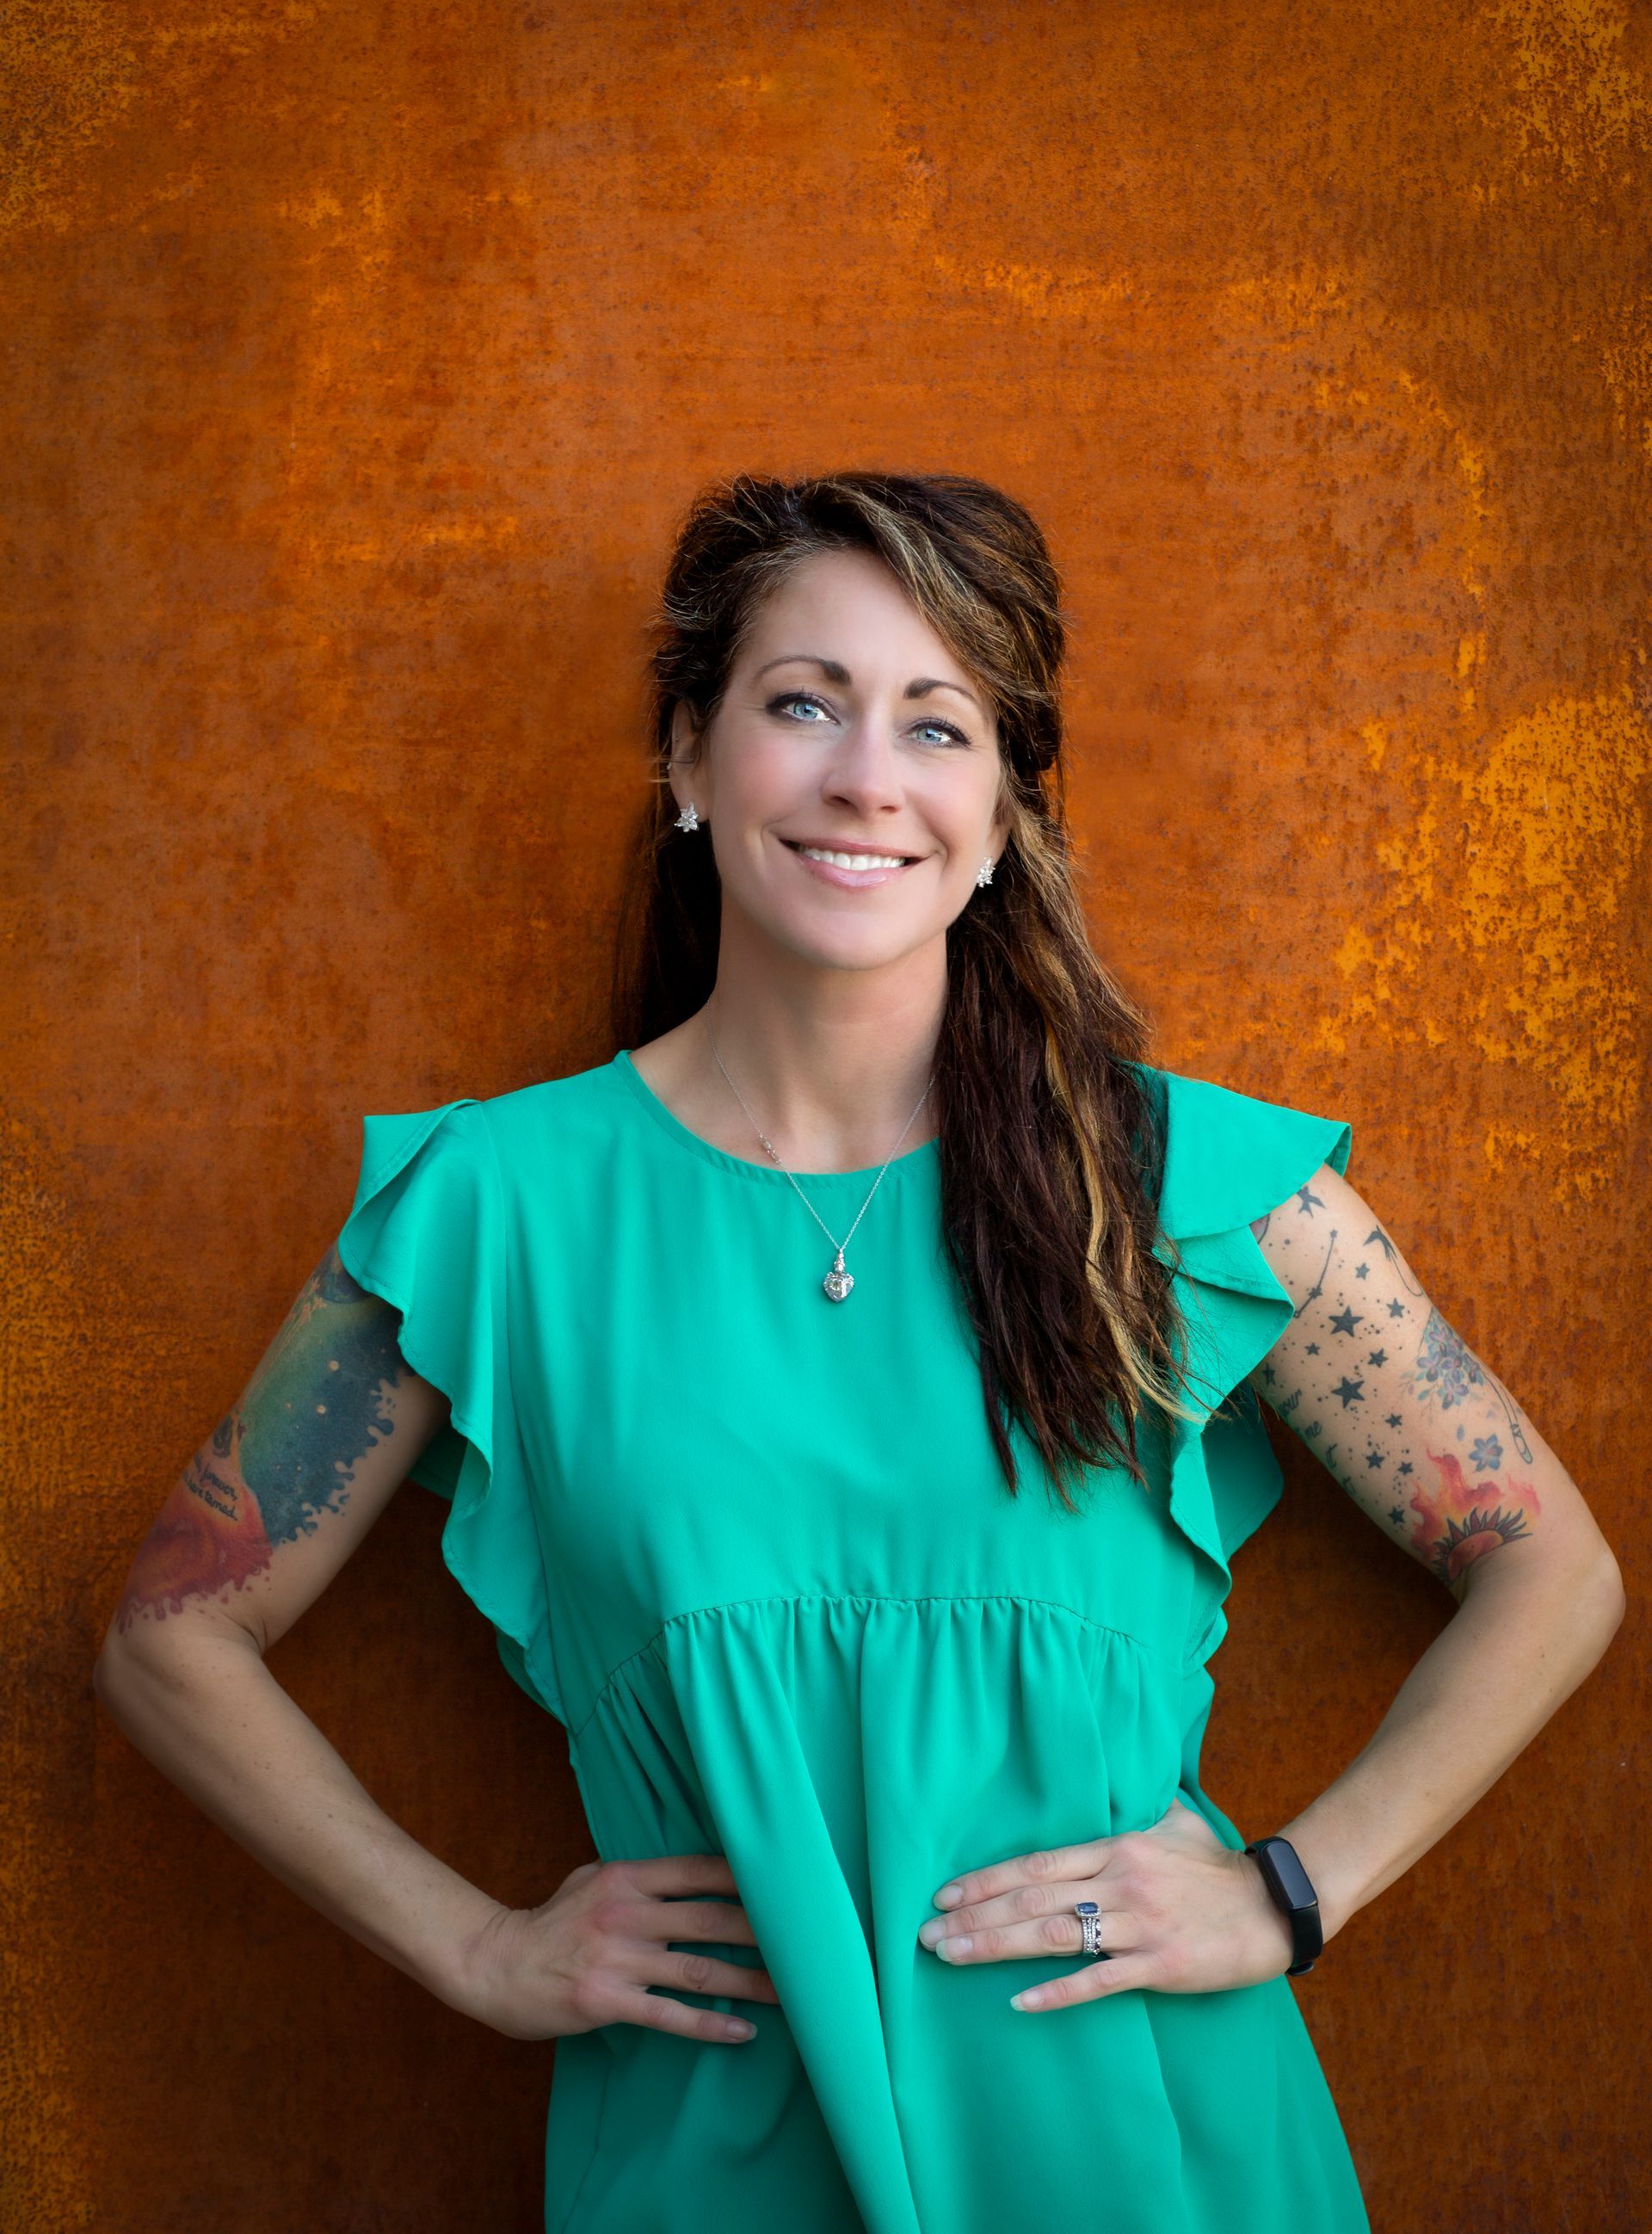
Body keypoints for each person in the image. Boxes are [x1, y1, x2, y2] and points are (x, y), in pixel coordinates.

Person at [95, 471, 1624, 2234]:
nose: (865, 779)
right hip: (702, 2162)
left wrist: (1289, 1890)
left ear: (997, 817)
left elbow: (1551, 1569)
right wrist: (475, 1945)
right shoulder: (492, 1209)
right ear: (688, 758)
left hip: (1150, 2148)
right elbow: (171, 1637)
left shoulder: (1187, 1195)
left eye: (940, 724)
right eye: (800, 702)